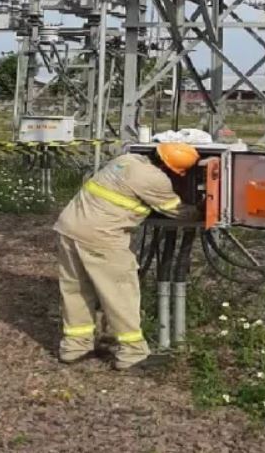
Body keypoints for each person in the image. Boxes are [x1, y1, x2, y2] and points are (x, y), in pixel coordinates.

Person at [53, 142, 200, 371]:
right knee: (120, 292)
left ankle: (74, 346)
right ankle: (132, 354)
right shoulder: (155, 179)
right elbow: (178, 211)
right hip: (102, 236)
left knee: (76, 289)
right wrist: (204, 208)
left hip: (68, 228)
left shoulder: (125, 161)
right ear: (170, 168)